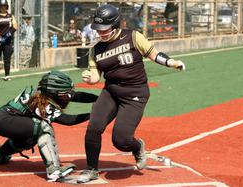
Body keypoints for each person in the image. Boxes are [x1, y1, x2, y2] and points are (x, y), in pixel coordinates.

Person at [78, 4, 185, 183]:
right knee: (94, 127)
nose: (101, 33)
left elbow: (154, 54)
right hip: (111, 92)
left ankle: (137, 147)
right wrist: (90, 79)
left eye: (105, 29)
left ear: (116, 25)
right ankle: (91, 169)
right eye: (98, 30)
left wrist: (171, 62)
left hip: (135, 94)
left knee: (121, 140)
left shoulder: (133, 37)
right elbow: (96, 76)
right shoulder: (95, 49)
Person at [0, 70, 98, 182]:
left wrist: (100, 99)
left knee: (31, 138)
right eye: (64, 93)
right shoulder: (42, 103)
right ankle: (54, 171)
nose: (68, 95)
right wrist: (93, 115)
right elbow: (68, 120)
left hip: (8, 117)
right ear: (54, 93)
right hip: (5, 122)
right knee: (44, 128)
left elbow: (77, 96)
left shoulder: (46, 93)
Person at [0, 0, 18, 81]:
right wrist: (0, 37)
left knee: (7, 58)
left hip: (7, 41)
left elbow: (15, 26)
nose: (3, 8)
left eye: (5, 6)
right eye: (2, 6)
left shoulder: (10, 16)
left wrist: (9, 34)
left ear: (7, 7)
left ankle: (7, 75)